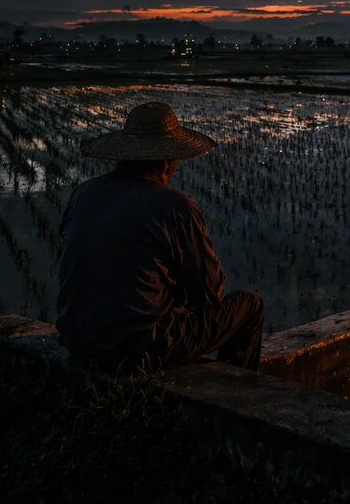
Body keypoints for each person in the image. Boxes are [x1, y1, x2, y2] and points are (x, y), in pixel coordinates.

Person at [56, 102, 265, 372]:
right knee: (250, 305)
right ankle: (237, 391)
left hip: (78, 341)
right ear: (168, 161)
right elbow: (209, 293)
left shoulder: (83, 193)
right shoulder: (176, 205)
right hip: (138, 350)